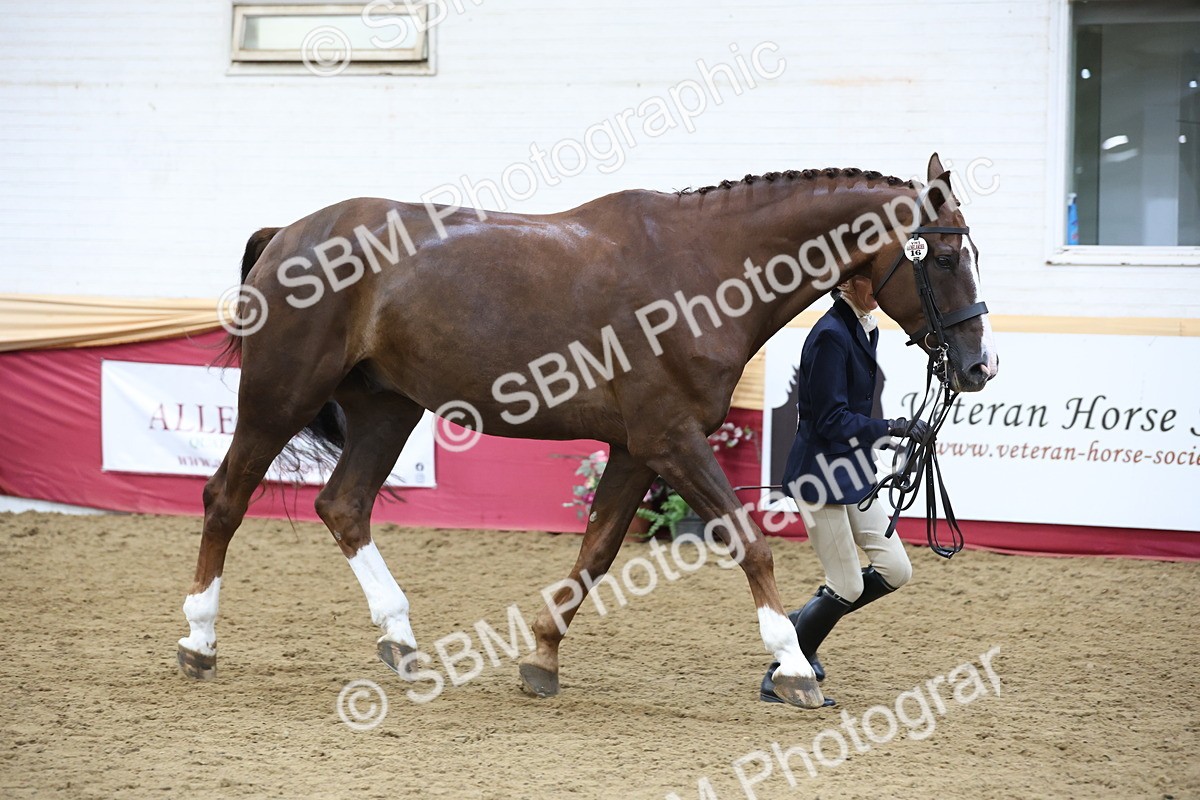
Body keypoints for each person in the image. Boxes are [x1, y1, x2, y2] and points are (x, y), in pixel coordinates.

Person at [761, 274, 932, 705]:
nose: (880, 290)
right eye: (871, 283)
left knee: (896, 570)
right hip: (820, 477)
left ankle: (806, 624)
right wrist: (891, 426)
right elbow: (831, 419)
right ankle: (783, 672)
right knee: (848, 585)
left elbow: (853, 412)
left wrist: (892, 434)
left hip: (853, 470)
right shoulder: (831, 336)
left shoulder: (861, 327)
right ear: (849, 284)